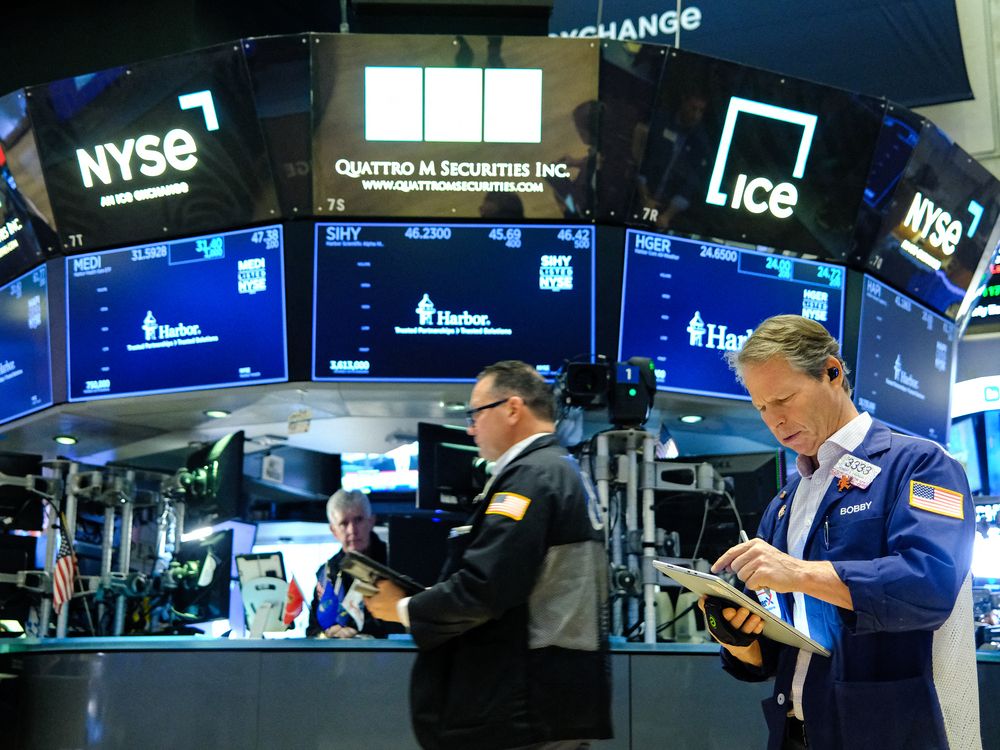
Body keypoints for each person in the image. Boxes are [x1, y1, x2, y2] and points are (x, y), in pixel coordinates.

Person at [703, 314, 980, 750]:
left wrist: (798, 573)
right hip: (795, 732)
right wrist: (737, 636)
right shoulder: (786, 501)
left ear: (831, 372)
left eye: (784, 398)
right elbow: (773, 654)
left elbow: (929, 584)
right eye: (762, 407)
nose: (775, 421)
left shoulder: (922, 465)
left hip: (890, 732)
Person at [365, 360, 611, 750]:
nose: (470, 428)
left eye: (476, 414)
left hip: (524, 705)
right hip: (555, 700)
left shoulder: (531, 477)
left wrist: (401, 608)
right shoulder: (563, 469)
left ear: (512, 408)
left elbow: (486, 586)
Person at [305, 488, 404, 639]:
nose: (352, 530)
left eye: (358, 520)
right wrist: (327, 634)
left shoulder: (395, 562)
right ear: (333, 530)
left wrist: (356, 633)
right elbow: (312, 630)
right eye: (344, 523)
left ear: (371, 521)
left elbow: (407, 619)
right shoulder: (327, 572)